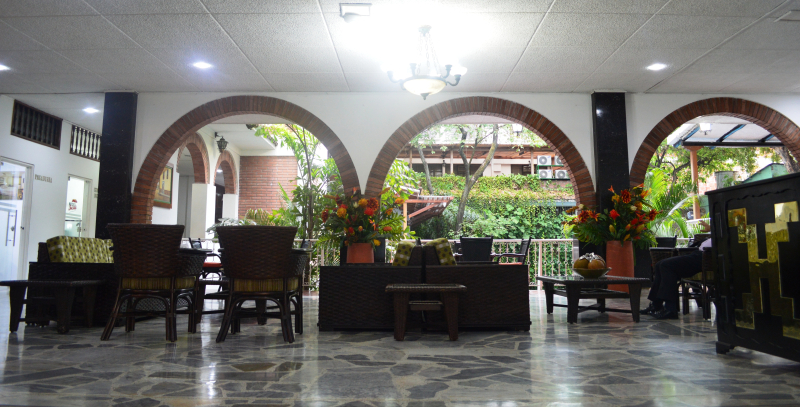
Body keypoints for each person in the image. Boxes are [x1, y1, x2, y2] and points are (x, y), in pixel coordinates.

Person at [641, 221, 711, 320]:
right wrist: (710, 229)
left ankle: (670, 309)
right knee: (659, 265)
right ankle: (656, 304)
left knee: (666, 265)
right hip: (698, 253)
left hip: (705, 257)